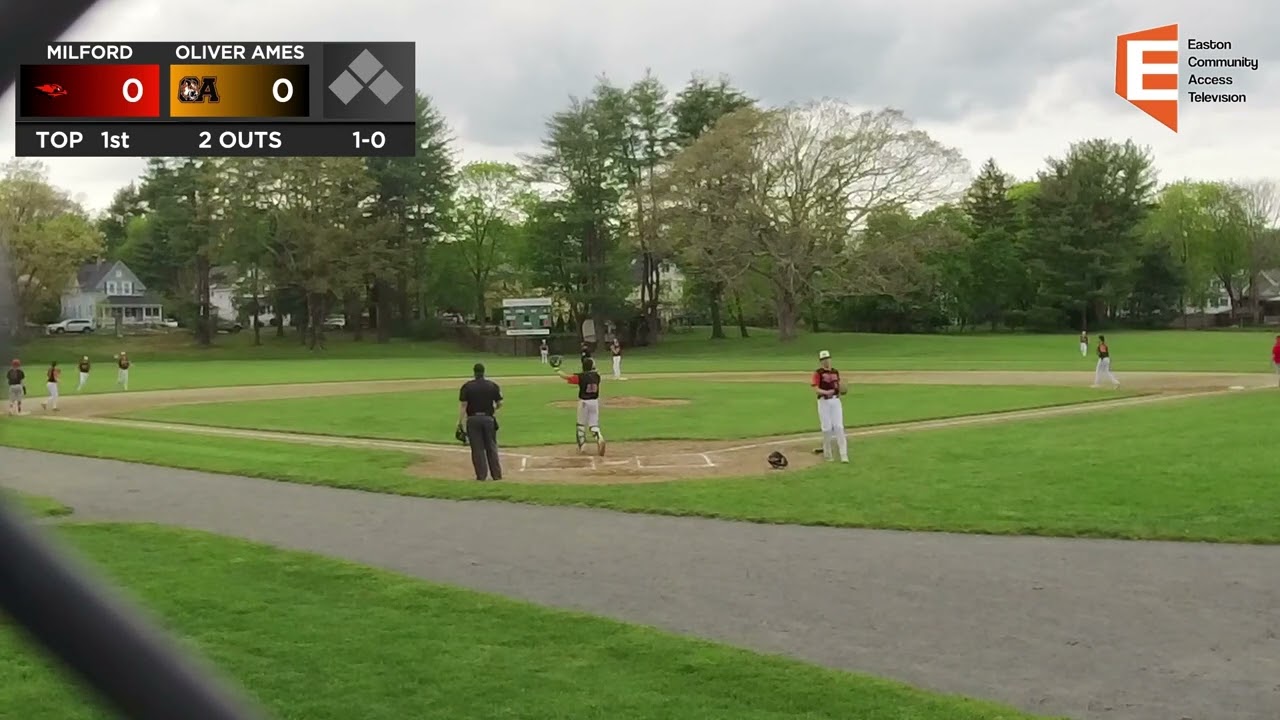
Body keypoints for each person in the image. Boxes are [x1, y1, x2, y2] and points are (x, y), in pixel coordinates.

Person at [457, 362, 503, 481]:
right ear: (483, 372)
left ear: (474, 372)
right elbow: (500, 403)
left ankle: (481, 476)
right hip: (488, 419)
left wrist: (460, 422)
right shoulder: (492, 385)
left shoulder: (467, 386)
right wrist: (492, 410)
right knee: (491, 447)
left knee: (477, 449)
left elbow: (463, 405)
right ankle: (496, 475)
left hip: (472, 420)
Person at [556, 356, 605, 456]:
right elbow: (594, 370)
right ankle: (599, 438)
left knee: (580, 425)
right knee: (593, 425)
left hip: (584, 402)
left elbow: (566, 377)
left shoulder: (581, 376)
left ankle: (582, 446)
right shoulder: (597, 376)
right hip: (594, 402)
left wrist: (557, 369)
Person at [811, 350, 849, 463]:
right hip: (823, 402)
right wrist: (826, 392)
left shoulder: (835, 372)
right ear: (820, 361)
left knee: (839, 427)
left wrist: (842, 390)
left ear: (830, 359)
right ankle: (828, 455)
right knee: (826, 428)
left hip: (835, 401)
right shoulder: (818, 373)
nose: (826, 361)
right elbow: (816, 389)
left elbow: (839, 387)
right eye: (823, 359)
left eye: (827, 358)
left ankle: (844, 455)